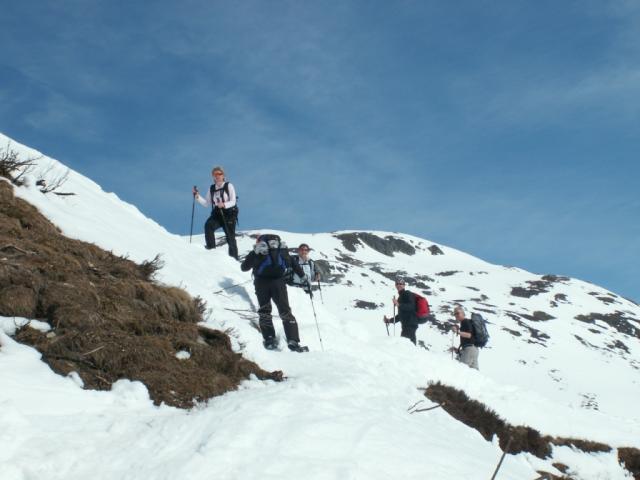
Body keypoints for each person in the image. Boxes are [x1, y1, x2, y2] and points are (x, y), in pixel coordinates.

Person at [241, 234, 309, 352]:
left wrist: (254, 258)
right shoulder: (280, 250)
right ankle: (293, 340)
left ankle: (269, 338)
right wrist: (303, 277)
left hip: (261, 283)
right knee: (285, 311)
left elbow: (244, 267)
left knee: (265, 310)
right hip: (278, 283)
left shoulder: (258, 251)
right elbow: (292, 263)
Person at [193, 166, 238, 259]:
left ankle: (234, 260)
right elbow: (206, 203)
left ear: (223, 175)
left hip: (229, 214)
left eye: (219, 174)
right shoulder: (212, 188)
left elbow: (233, 201)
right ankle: (211, 251)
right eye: (215, 174)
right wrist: (197, 196)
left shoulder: (228, 185)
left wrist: (224, 204)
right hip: (217, 214)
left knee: (230, 237)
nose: (217, 176)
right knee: (208, 226)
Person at [383, 278, 421, 345]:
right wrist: (389, 320)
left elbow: (411, 307)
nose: (398, 285)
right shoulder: (400, 297)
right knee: (408, 345)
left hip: (410, 324)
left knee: (405, 345)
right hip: (407, 325)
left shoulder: (407, 293)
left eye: (400, 284)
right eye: (397, 284)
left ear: (404, 285)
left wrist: (398, 304)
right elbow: (400, 315)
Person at [451, 305, 479, 370]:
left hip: (469, 350)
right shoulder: (466, 322)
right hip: (474, 349)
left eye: (458, 313)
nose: (456, 315)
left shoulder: (465, 322)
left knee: (461, 370)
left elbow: (469, 335)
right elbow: (469, 340)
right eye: (455, 314)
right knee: (474, 373)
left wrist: (457, 332)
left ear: (463, 313)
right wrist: (458, 350)